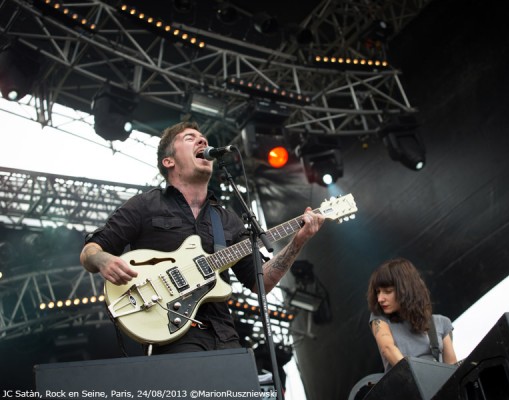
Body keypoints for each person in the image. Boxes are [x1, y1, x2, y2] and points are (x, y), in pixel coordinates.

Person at [80, 120, 325, 354]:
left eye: (203, 139)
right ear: (168, 161)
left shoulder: (228, 220)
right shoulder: (145, 205)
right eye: (190, 138)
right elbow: (90, 250)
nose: (202, 141)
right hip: (170, 335)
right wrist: (103, 260)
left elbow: (261, 283)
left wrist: (298, 241)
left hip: (225, 337)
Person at [367, 258, 457, 373]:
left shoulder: (442, 323)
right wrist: (416, 379)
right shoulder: (379, 319)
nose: (380, 299)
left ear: (406, 290)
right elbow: (387, 348)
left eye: (388, 291)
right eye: (378, 292)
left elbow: (452, 369)